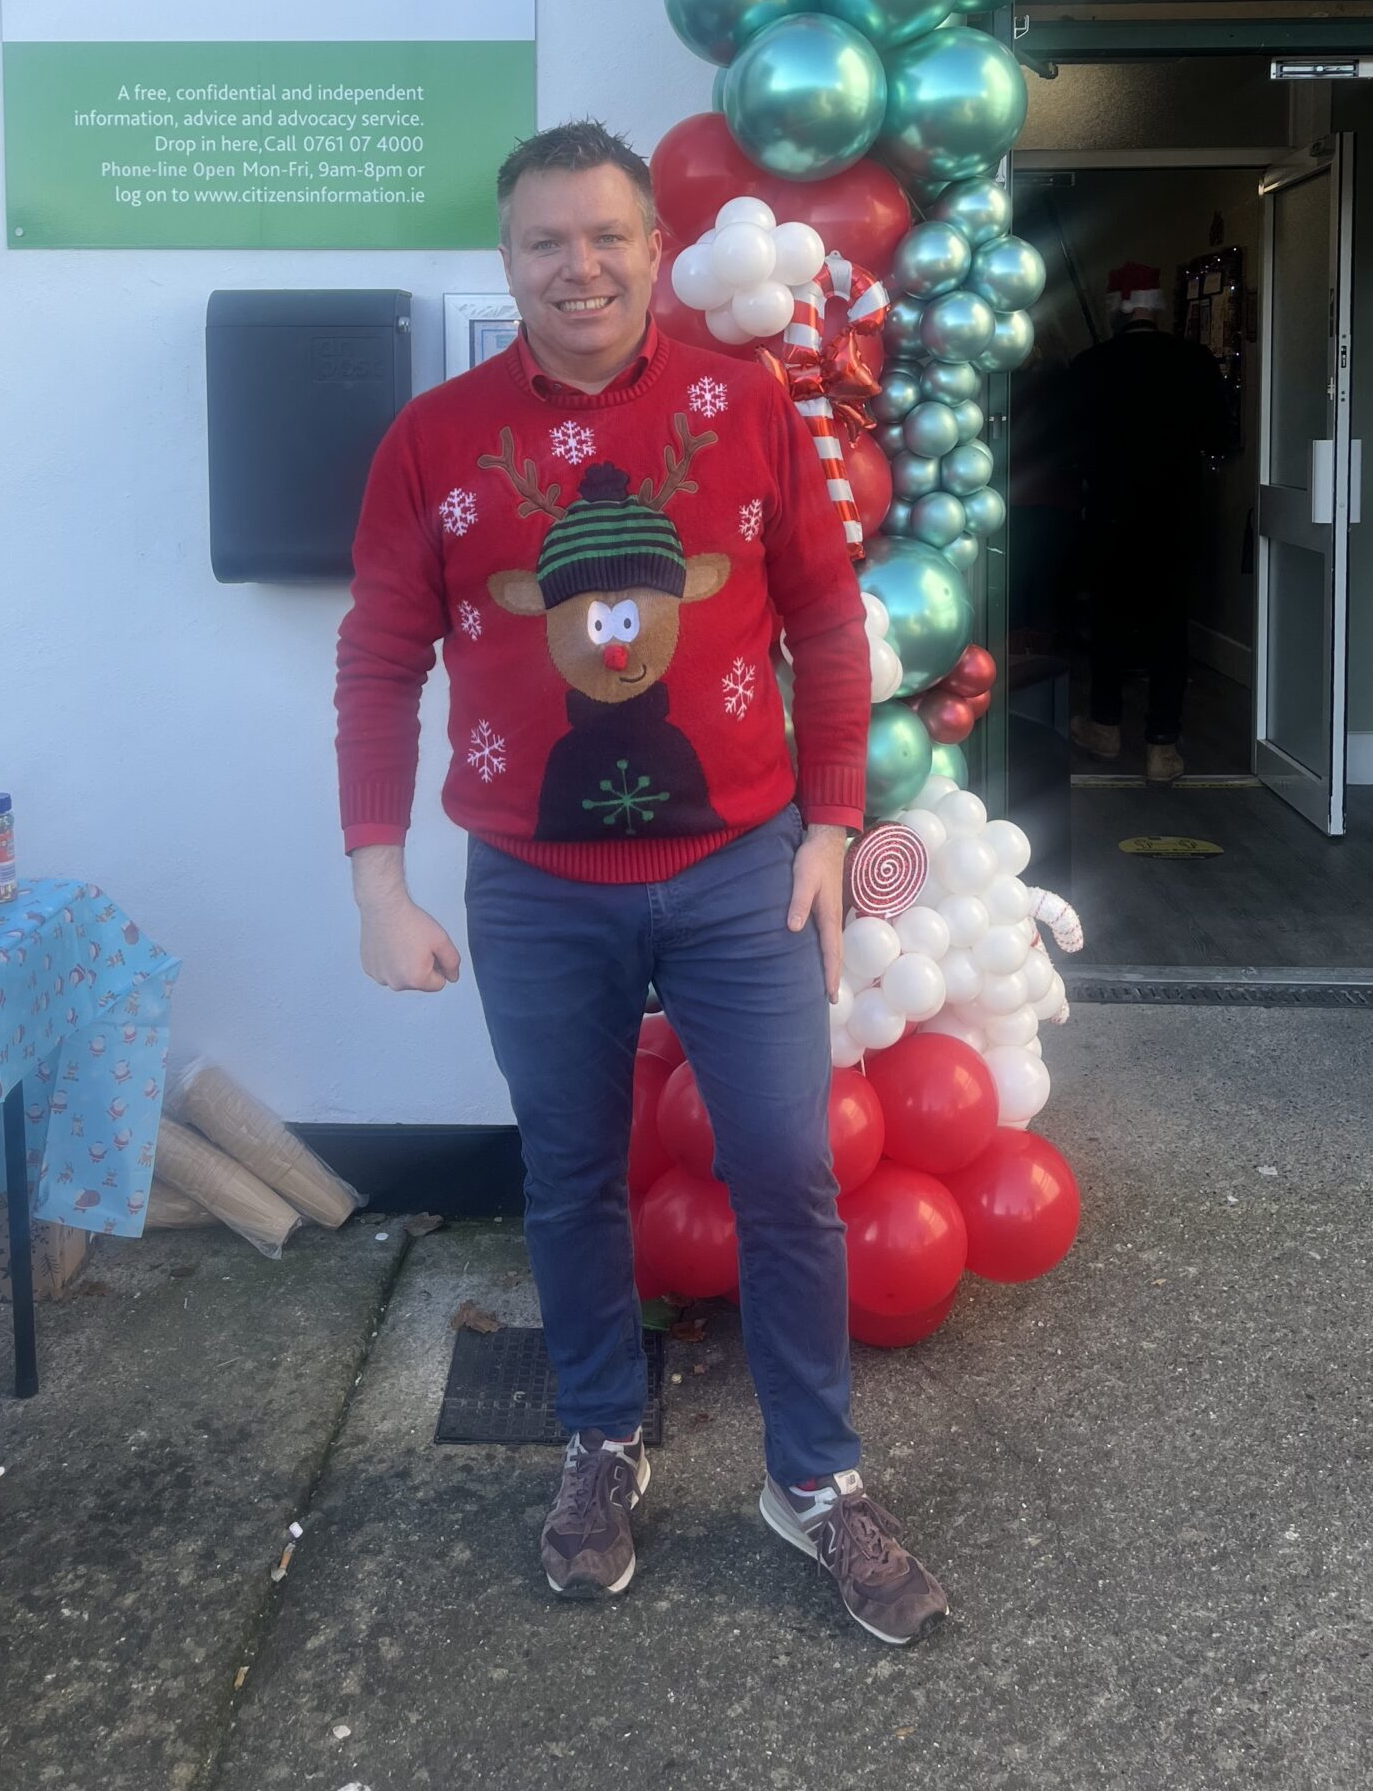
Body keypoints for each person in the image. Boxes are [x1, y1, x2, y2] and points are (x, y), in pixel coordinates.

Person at [335, 118, 948, 1644]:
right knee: (568, 1176)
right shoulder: (434, 441)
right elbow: (379, 662)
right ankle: (602, 1438)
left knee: (788, 1174)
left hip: (743, 873)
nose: (581, 266)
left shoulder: (743, 407)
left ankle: (814, 1478)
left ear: (655, 249)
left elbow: (827, 619)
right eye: (546, 240)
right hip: (535, 886)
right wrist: (378, 886)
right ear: (506, 259)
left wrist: (829, 825)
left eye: (607, 235)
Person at [1068, 261, 1232, 784]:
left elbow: (1069, 448)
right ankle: (1162, 746)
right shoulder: (1194, 361)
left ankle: (1105, 726)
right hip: (1175, 516)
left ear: (1115, 308)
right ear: (1155, 307)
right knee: (1170, 630)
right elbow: (1222, 439)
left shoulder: (1090, 365)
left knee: (1109, 622)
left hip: (1111, 515)